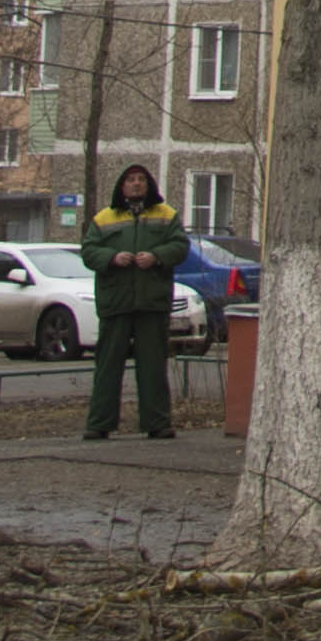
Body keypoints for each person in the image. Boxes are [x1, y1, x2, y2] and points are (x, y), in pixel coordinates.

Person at [81, 166, 186, 442]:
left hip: (152, 302)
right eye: (130, 180)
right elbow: (89, 251)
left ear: (149, 185)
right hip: (116, 302)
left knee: (153, 366)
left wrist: (156, 256)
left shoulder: (166, 215)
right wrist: (112, 258)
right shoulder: (104, 218)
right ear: (121, 186)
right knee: (107, 366)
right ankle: (99, 424)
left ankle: (158, 423)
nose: (136, 184)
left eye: (141, 179)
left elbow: (180, 247)